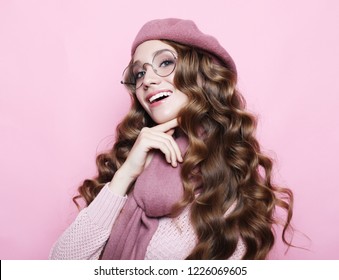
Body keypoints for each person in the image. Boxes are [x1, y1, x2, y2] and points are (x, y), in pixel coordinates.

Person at [49, 18, 293, 260]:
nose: (147, 80)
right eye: (139, 73)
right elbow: (60, 264)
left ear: (200, 73)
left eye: (165, 63)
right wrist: (125, 175)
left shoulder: (228, 177)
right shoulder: (130, 160)